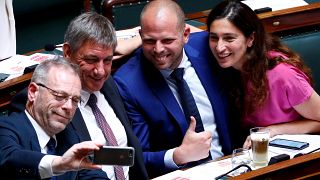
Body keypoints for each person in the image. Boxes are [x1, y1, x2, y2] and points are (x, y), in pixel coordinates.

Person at [9, 12, 148, 180]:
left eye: (107, 61)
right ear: (67, 52)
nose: (101, 71)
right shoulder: (40, 101)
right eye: (91, 60)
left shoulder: (107, 83)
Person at [113, 0, 233, 178]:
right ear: (140, 36)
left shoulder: (209, 47)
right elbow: (136, 158)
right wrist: (177, 156)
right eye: (149, 41)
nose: (158, 49)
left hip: (235, 166)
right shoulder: (128, 84)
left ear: (186, 34)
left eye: (167, 40)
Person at [205, 0, 320, 148]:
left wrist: (274, 130)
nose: (219, 47)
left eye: (229, 38)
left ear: (250, 39)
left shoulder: (282, 75)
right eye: (214, 37)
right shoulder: (232, 70)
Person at [0, 57, 108, 179]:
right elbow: (9, 159)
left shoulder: (70, 136)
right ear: (33, 92)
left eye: (75, 100)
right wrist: (60, 164)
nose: (68, 107)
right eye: (60, 96)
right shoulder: (5, 128)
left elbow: (92, 176)